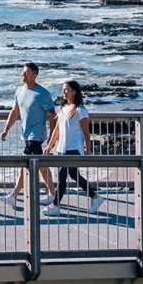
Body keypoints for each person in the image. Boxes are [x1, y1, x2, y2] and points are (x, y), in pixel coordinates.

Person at [0, 62, 58, 209]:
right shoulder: (19, 91)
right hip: (26, 134)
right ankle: (53, 194)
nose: (22, 74)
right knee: (41, 166)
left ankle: (14, 195)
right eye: (23, 72)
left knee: (25, 164)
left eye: (26, 72)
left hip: (36, 135)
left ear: (34, 75)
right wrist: (6, 129)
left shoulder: (42, 93)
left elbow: (52, 116)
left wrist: (51, 137)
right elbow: (14, 111)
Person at [42, 80, 102, 215]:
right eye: (63, 89)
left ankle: (55, 206)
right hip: (62, 148)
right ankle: (95, 197)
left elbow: (86, 133)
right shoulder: (62, 108)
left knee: (62, 176)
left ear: (74, 91)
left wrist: (88, 150)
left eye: (66, 89)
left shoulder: (80, 110)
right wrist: (49, 146)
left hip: (74, 148)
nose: (63, 92)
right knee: (74, 174)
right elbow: (57, 130)